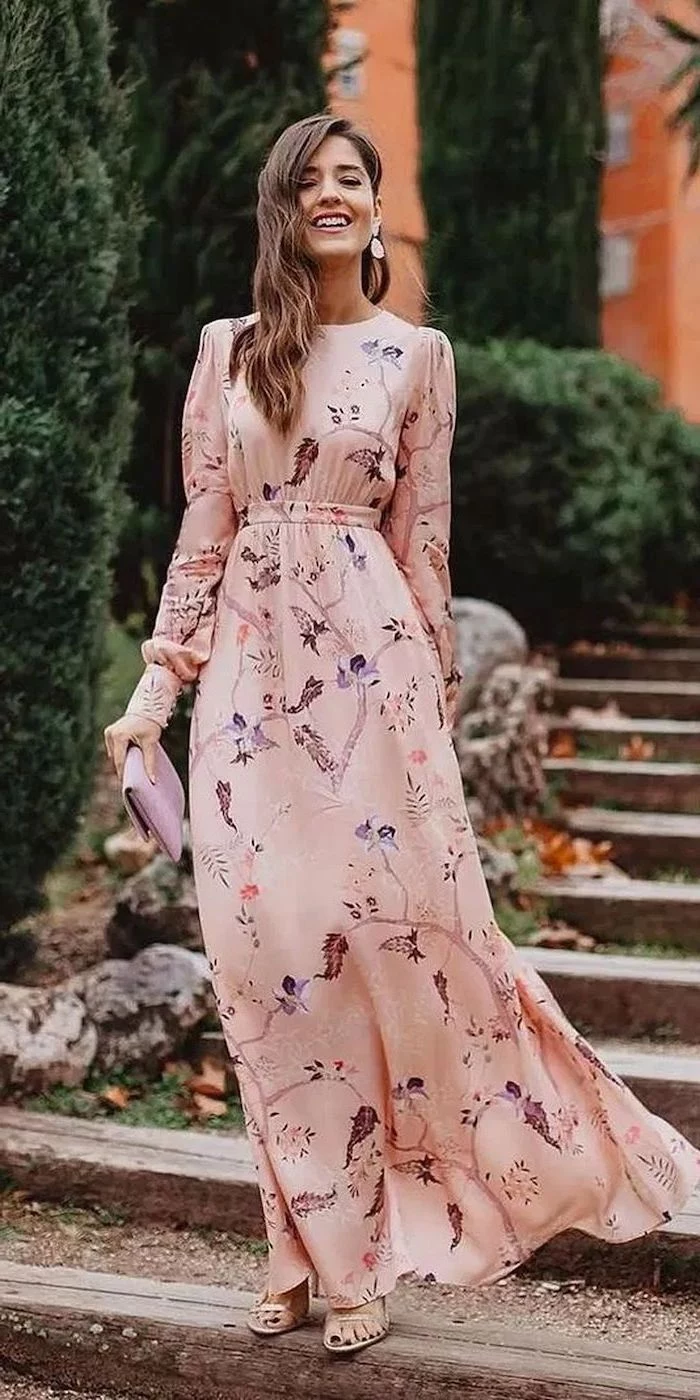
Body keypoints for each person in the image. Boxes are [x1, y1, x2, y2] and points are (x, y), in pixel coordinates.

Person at [105, 112, 700, 1357]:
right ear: (284, 208)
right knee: (269, 966)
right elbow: (202, 546)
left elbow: (422, 554)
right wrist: (151, 700)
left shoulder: (416, 356)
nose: (332, 195)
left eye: (351, 179)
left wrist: (428, 716)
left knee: (397, 950)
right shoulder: (226, 354)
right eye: (310, 180)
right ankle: (298, 1244)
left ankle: (359, 1248)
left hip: (375, 696)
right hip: (248, 703)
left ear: (376, 208)